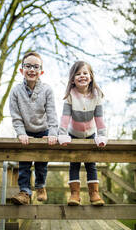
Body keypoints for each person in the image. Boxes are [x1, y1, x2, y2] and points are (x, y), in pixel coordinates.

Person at [9, 51, 58, 205]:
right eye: (28, 66)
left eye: (36, 67)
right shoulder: (16, 91)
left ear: (41, 71)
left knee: (41, 162)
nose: (31, 69)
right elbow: (16, 117)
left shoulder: (47, 90)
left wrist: (53, 133)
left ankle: (40, 186)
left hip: (43, 131)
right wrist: (21, 134)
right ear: (21, 70)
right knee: (24, 162)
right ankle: (24, 192)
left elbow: (52, 115)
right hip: (25, 131)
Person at [58, 60, 107, 206]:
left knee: (91, 163)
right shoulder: (70, 96)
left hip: (91, 134)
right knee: (74, 163)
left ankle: (94, 193)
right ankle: (75, 194)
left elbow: (99, 118)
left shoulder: (96, 95)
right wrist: (62, 134)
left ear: (91, 77)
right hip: (73, 135)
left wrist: (102, 135)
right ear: (73, 79)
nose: (82, 76)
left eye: (85, 73)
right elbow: (65, 118)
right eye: (78, 74)